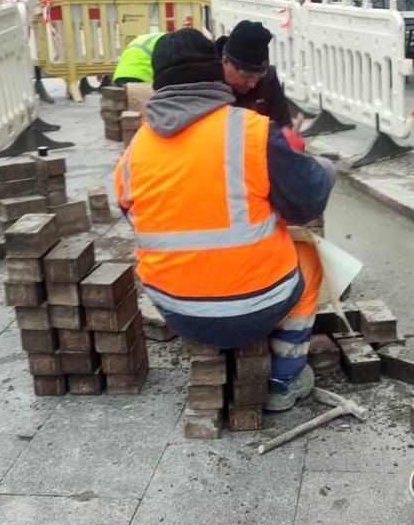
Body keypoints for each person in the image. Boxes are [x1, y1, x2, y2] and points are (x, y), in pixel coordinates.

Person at [115, 28, 335, 410]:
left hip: (176, 310)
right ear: (216, 72)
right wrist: (325, 170)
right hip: (256, 308)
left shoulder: (137, 147)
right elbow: (307, 204)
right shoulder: (251, 130)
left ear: (159, 82)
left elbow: (129, 213)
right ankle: (284, 379)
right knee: (311, 259)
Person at [215, 20, 303, 131]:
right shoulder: (209, 84)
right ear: (225, 62)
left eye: (259, 75)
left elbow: (283, 126)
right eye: (246, 76)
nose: (252, 84)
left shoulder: (268, 79)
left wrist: (290, 140)